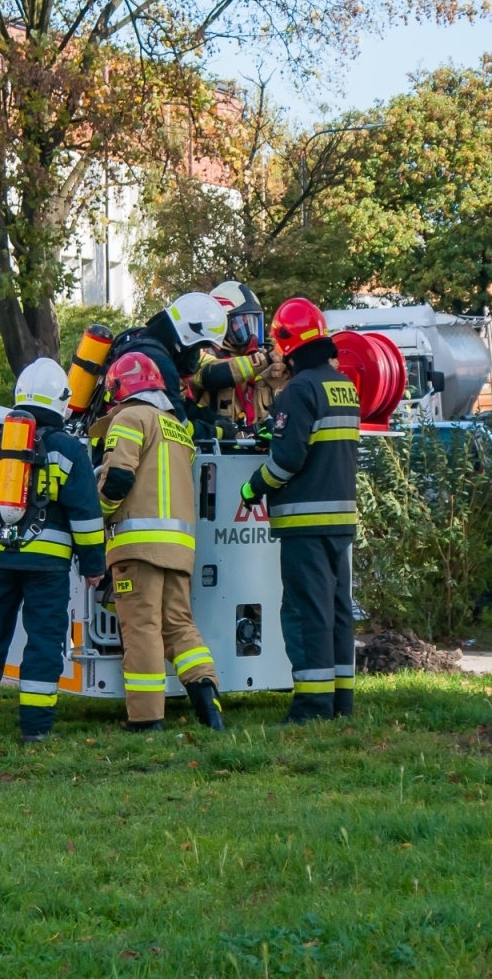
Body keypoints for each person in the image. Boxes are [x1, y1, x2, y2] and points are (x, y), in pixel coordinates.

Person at [0, 358, 106, 745]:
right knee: (43, 641)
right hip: (48, 567)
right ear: (61, 401)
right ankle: (35, 729)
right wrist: (93, 565)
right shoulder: (68, 450)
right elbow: (85, 515)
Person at [239, 298, 361, 722]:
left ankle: (311, 707)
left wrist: (252, 487)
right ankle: (340, 701)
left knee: (307, 613)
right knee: (336, 611)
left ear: (288, 344)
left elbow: (286, 462)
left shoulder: (299, 390)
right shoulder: (342, 385)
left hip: (306, 522)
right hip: (341, 521)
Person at [96, 351, 225, 733]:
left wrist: (97, 515)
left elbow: (118, 478)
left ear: (121, 387)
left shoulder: (129, 418)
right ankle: (209, 705)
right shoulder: (176, 428)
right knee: (180, 625)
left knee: (142, 627)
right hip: (179, 547)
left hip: (137, 547)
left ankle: (146, 719)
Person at [103, 293, 228, 423]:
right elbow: (180, 426)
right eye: (198, 347)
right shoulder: (160, 364)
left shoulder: (134, 337)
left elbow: (169, 402)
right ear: (187, 339)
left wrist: (208, 416)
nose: (196, 356)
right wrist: (218, 431)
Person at [190, 281, 287, 436]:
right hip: (214, 451)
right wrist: (262, 361)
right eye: (241, 323)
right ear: (220, 323)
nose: (250, 333)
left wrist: (280, 371)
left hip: (254, 451)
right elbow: (214, 374)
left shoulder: (257, 359)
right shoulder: (199, 354)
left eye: (252, 322)